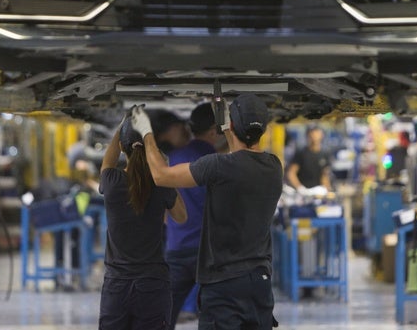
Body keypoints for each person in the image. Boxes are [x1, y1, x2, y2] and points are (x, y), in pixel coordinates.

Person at [131, 94, 283, 330]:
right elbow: (241, 153)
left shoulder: (218, 166)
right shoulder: (273, 166)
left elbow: (160, 175)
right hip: (259, 282)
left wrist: (146, 131)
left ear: (228, 126)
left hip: (223, 284)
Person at [98, 116, 187, 330]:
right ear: (151, 149)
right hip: (153, 284)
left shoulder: (111, 181)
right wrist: (165, 173)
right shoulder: (160, 184)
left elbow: (107, 162)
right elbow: (182, 216)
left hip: (117, 285)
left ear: (122, 147)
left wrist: (122, 125)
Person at [165, 103, 220, 329]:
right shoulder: (218, 162)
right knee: (212, 313)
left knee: (164, 313)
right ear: (214, 130)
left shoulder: (174, 157)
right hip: (206, 253)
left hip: (176, 247)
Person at [286, 125, 332, 193]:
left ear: (322, 135)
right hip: (304, 191)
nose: (315, 136)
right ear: (308, 135)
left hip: (318, 191)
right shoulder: (301, 152)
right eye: (312, 133)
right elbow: (291, 173)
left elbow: (324, 175)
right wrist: (300, 188)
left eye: (317, 133)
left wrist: (327, 190)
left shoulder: (325, 154)